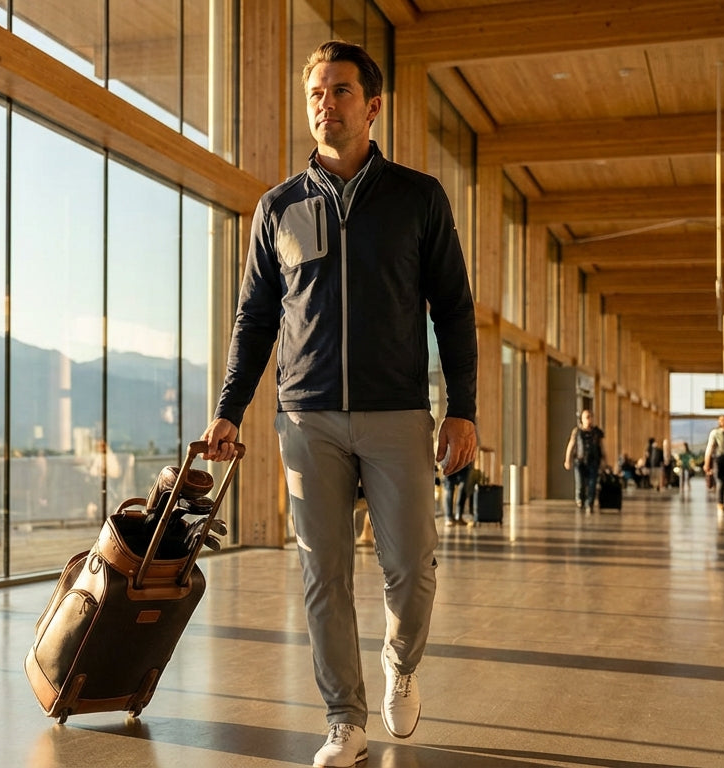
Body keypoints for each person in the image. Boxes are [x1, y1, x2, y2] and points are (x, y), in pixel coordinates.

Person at [198, 40, 478, 768]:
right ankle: (343, 720)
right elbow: (256, 318)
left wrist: (463, 407)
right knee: (323, 574)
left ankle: (401, 662)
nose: (326, 102)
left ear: (374, 105)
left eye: (342, 90)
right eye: (317, 92)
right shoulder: (277, 207)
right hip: (306, 416)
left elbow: (452, 308)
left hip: (396, 412)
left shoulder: (419, 198)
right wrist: (230, 407)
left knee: (410, 568)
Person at [563, 410, 605, 511]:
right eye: (586, 417)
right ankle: (580, 500)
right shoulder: (577, 432)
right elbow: (571, 445)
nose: (589, 420)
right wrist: (567, 460)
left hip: (593, 461)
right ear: (582, 419)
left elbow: (602, 447)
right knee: (580, 483)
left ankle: (589, 503)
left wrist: (604, 461)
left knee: (592, 484)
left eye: (590, 417)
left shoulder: (597, 433)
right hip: (579, 461)